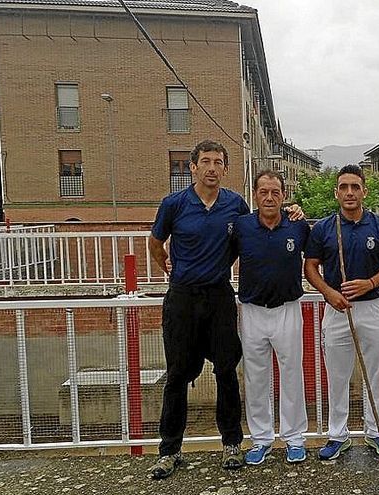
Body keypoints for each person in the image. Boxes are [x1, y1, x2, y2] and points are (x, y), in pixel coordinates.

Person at [147, 140, 249, 478]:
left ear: (225, 168)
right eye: (204, 161)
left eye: (218, 162)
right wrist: (168, 267)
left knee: (225, 372)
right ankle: (169, 451)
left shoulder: (236, 204)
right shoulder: (174, 204)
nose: (211, 168)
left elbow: (247, 239)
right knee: (176, 375)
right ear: (192, 167)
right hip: (182, 298)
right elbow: (156, 242)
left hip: (218, 296)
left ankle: (232, 444)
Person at [303, 165, 379, 461]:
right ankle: (337, 435)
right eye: (343, 187)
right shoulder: (322, 228)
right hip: (336, 310)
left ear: (364, 191)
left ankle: (377, 432)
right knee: (338, 375)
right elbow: (310, 267)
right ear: (336, 192)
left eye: (355, 187)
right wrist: (328, 293)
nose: (349, 192)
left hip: (372, 307)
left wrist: (370, 282)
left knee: (377, 374)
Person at [235, 170, 311, 465]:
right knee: (256, 377)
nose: (269, 197)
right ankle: (261, 439)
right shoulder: (241, 226)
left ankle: (294, 438)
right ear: (255, 195)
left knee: (292, 374)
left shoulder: (298, 225)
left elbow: (317, 259)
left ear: (283, 195)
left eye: (275, 192)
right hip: (252, 310)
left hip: (288, 309)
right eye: (263, 192)